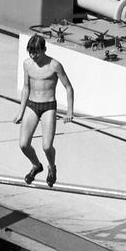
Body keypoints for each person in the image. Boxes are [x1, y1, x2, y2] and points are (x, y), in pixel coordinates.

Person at [14, 34, 74, 188]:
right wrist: (20, 111)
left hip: (48, 107)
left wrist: (69, 111)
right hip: (32, 105)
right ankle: (36, 165)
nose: (33, 56)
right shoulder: (27, 64)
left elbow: (68, 87)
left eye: (36, 52)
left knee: (47, 146)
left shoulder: (54, 65)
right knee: (23, 144)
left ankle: (52, 167)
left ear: (44, 50)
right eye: (31, 52)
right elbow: (26, 88)